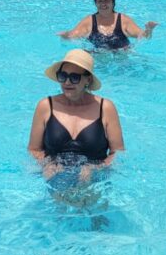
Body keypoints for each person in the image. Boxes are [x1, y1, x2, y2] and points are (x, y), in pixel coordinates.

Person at [27, 48, 124, 180]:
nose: (67, 82)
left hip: (93, 182)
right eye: (63, 76)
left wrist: (95, 169)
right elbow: (34, 149)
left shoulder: (105, 108)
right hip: (56, 179)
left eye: (74, 77)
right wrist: (46, 164)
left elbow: (118, 154)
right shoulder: (45, 106)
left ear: (88, 80)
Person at [58, 0, 158, 50]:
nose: (103, 4)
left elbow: (143, 37)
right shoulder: (88, 22)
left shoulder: (123, 21)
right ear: (95, 3)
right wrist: (65, 36)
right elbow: (72, 36)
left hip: (122, 61)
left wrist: (149, 30)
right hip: (98, 61)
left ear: (113, 2)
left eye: (107, 0)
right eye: (100, 1)